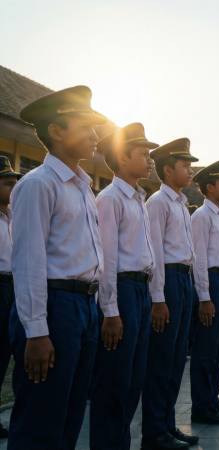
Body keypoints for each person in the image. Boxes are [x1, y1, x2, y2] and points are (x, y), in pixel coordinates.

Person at [10, 86, 106, 449]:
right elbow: (29, 261)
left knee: (69, 414)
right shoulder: (38, 184)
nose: (95, 135)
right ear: (56, 131)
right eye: (86, 126)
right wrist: (36, 331)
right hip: (54, 306)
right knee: (41, 419)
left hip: (84, 306)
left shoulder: (83, 188)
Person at [91, 123, 158, 449]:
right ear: (121, 157)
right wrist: (111, 310)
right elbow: (108, 261)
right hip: (122, 291)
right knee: (114, 381)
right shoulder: (110, 199)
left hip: (140, 291)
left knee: (133, 379)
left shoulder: (137, 199)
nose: (150, 161)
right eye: (144, 154)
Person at [142, 138, 200, 449]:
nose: (191, 171)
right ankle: (153, 432)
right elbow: (156, 255)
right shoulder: (158, 203)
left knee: (177, 360)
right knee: (161, 360)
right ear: (167, 170)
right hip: (168, 283)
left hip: (184, 281)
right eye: (185, 166)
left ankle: (167, 424)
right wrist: (158, 298)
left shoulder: (180, 203)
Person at [189, 160, 219, 425]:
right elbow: (198, 259)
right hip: (210, 281)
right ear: (209, 187)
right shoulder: (202, 216)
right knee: (206, 348)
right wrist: (205, 297)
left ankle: (212, 401)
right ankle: (201, 406)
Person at [0, 157, 21, 438]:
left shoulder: (13, 217)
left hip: (12, 287)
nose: (13, 188)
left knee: (6, 352)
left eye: (15, 183)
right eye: (6, 183)